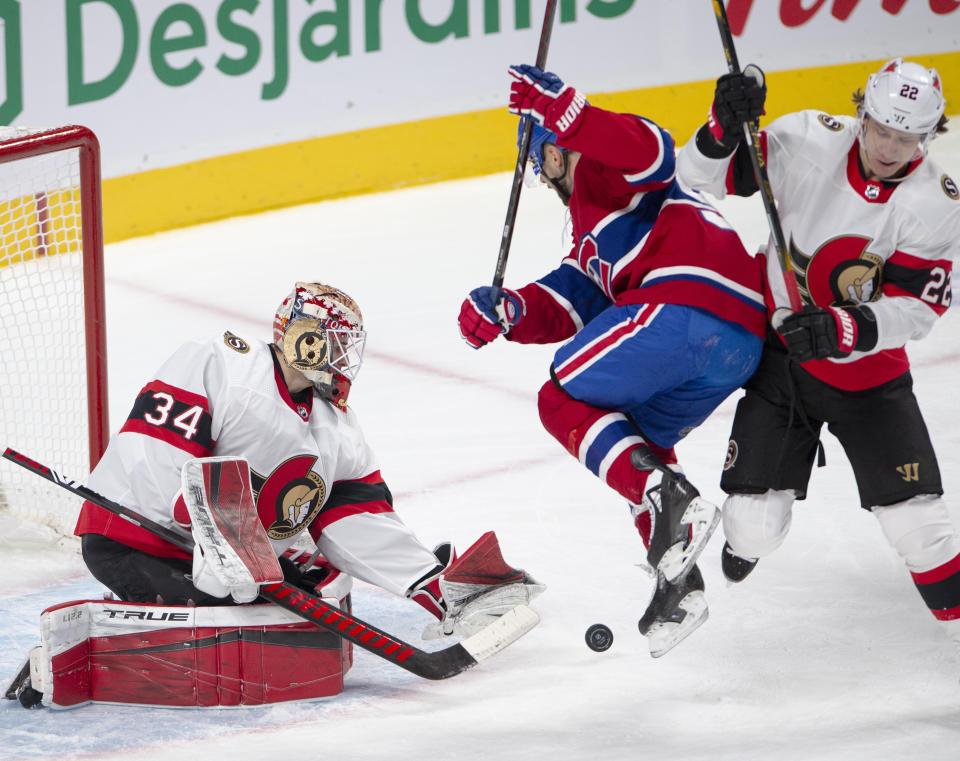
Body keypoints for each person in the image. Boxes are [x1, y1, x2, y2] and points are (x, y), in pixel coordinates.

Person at [458, 64, 768, 656]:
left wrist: (568, 116)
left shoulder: (603, 169)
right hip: (738, 342)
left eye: (542, 159)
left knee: (559, 398)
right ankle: (678, 581)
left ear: (550, 157)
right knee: (638, 438)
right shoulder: (594, 233)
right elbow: (568, 301)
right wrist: (508, 310)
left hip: (684, 306)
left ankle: (669, 502)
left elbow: (654, 151)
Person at [676, 58, 960, 645]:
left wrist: (844, 328)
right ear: (862, 112)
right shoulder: (805, 139)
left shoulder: (939, 201)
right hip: (783, 370)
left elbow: (918, 307)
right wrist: (722, 129)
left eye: (908, 138)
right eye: (882, 129)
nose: (890, 147)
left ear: (930, 137)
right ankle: (748, 539)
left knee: (921, 528)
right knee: (752, 528)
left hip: (869, 382)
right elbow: (698, 178)